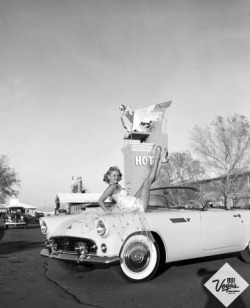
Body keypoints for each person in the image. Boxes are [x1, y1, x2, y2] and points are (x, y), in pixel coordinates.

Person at [98, 146, 168, 214]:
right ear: (108, 177)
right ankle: (157, 157)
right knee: (147, 182)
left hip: (133, 202)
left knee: (147, 182)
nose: (116, 177)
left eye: (117, 175)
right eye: (114, 176)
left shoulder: (116, 185)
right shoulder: (112, 187)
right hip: (137, 206)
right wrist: (108, 212)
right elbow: (100, 201)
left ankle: (162, 162)